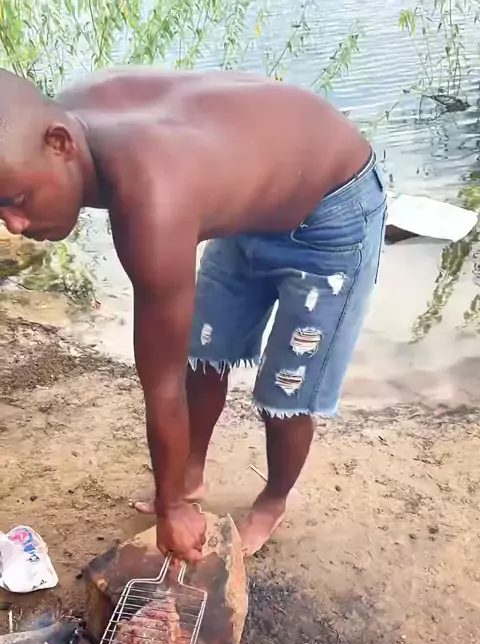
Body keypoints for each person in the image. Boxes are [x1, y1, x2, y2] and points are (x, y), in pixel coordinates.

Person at [0, 68, 386, 561]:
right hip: (250, 206)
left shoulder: (152, 197)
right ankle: (189, 475)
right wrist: (173, 497)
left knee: (286, 394)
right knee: (205, 354)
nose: (14, 225)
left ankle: (272, 501)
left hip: (331, 211)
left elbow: (158, 381)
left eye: (18, 200)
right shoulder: (60, 121)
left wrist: (171, 510)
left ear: (60, 144)